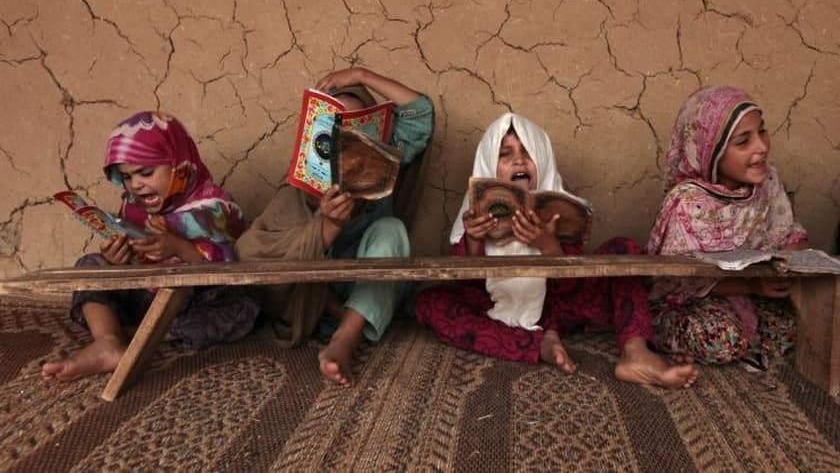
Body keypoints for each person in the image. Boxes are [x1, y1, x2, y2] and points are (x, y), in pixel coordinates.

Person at [414, 112, 698, 388]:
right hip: (498, 305)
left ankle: (636, 352)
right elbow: (470, 284)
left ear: (543, 159)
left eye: (528, 151)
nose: (519, 160)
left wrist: (547, 246)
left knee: (623, 249)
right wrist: (475, 240)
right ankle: (540, 345)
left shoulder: (559, 209)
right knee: (430, 302)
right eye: (505, 154)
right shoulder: (474, 215)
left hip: (560, 305)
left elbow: (571, 284)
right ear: (488, 164)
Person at [235, 67, 434, 385]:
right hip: (316, 303)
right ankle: (347, 320)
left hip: (365, 289)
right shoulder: (297, 190)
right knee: (271, 251)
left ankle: (344, 340)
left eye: (358, 132)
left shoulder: (384, 162)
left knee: (391, 230)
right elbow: (251, 254)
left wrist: (362, 76)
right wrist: (327, 225)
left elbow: (419, 113)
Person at [42, 112, 259, 381]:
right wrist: (116, 260)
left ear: (180, 164)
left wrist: (179, 248)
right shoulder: (133, 207)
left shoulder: (215, 208)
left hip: (188, 304)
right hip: (143, 296)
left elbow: (232, 267)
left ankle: (140, 333)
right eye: (127, 176)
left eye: (146, 172)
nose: (136, 184)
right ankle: (108, 342)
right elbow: (131, 263)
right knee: (90, 266)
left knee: (242, 307)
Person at [647, 85, 808, 369]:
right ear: (711, 152)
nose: (761, 147)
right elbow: (679, 281)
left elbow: (788, 233)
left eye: (762, 131)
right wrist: (754, 285)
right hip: (691, 302)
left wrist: (793, 266)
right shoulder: (689, 202)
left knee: (792, 331)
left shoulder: (767, 183)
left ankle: (748, 337)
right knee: (723, 340)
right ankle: (666, 337)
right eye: (743, 141)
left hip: (750, 294)